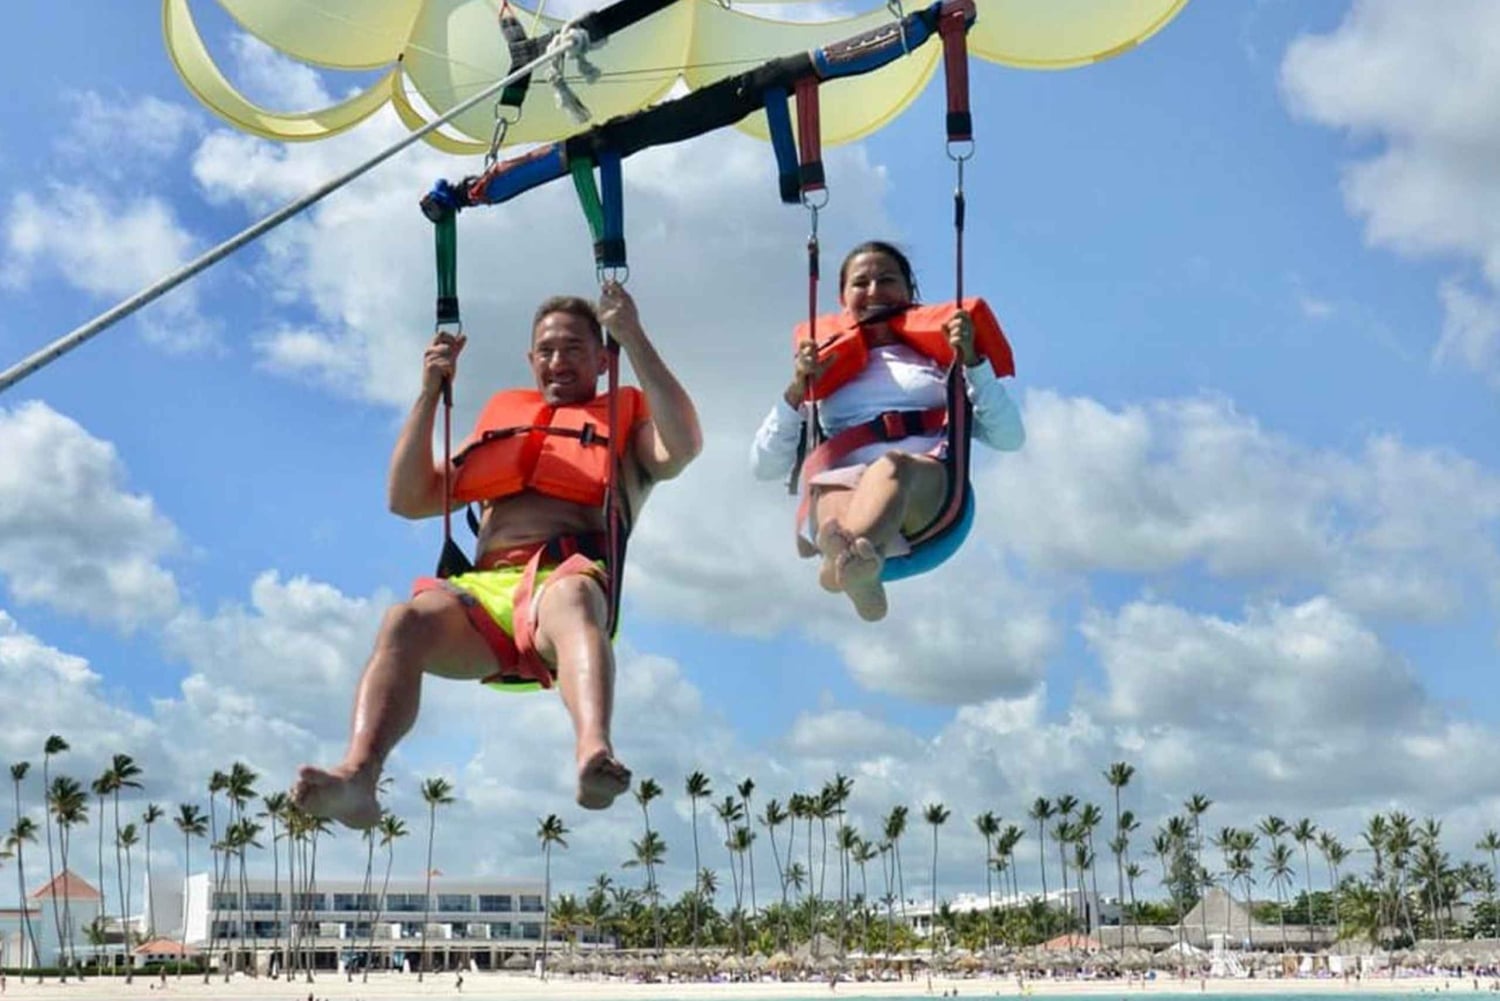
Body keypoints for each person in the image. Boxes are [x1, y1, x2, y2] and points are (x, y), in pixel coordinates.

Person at [293, 282, 701, 827]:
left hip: (563, 581)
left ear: (603, 360)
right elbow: (406, 497)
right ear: (531, 360)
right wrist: (430, 391)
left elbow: (685, 444)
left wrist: (633, 334)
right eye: (547, 350)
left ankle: (593, 753)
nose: (558, 361)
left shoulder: (625, 427)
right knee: (403, 621)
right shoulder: (506, 422)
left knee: (574, 594)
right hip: (485, 596)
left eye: (574, 349)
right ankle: (359, 777)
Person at [750, 240, 1023, 620]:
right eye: (861, 283)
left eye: (887, 280)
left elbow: (1010, 438)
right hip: (842, 491)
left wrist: (974, 362)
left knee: (891, 466)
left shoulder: (939, 358)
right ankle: (859, 569)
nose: (875, 291)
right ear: (843, 298)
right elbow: (763, 465)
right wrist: (798, 388)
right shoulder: (825, 370)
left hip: (929, 497)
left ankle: (841, 564)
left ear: (910, 292)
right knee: (831, 490)